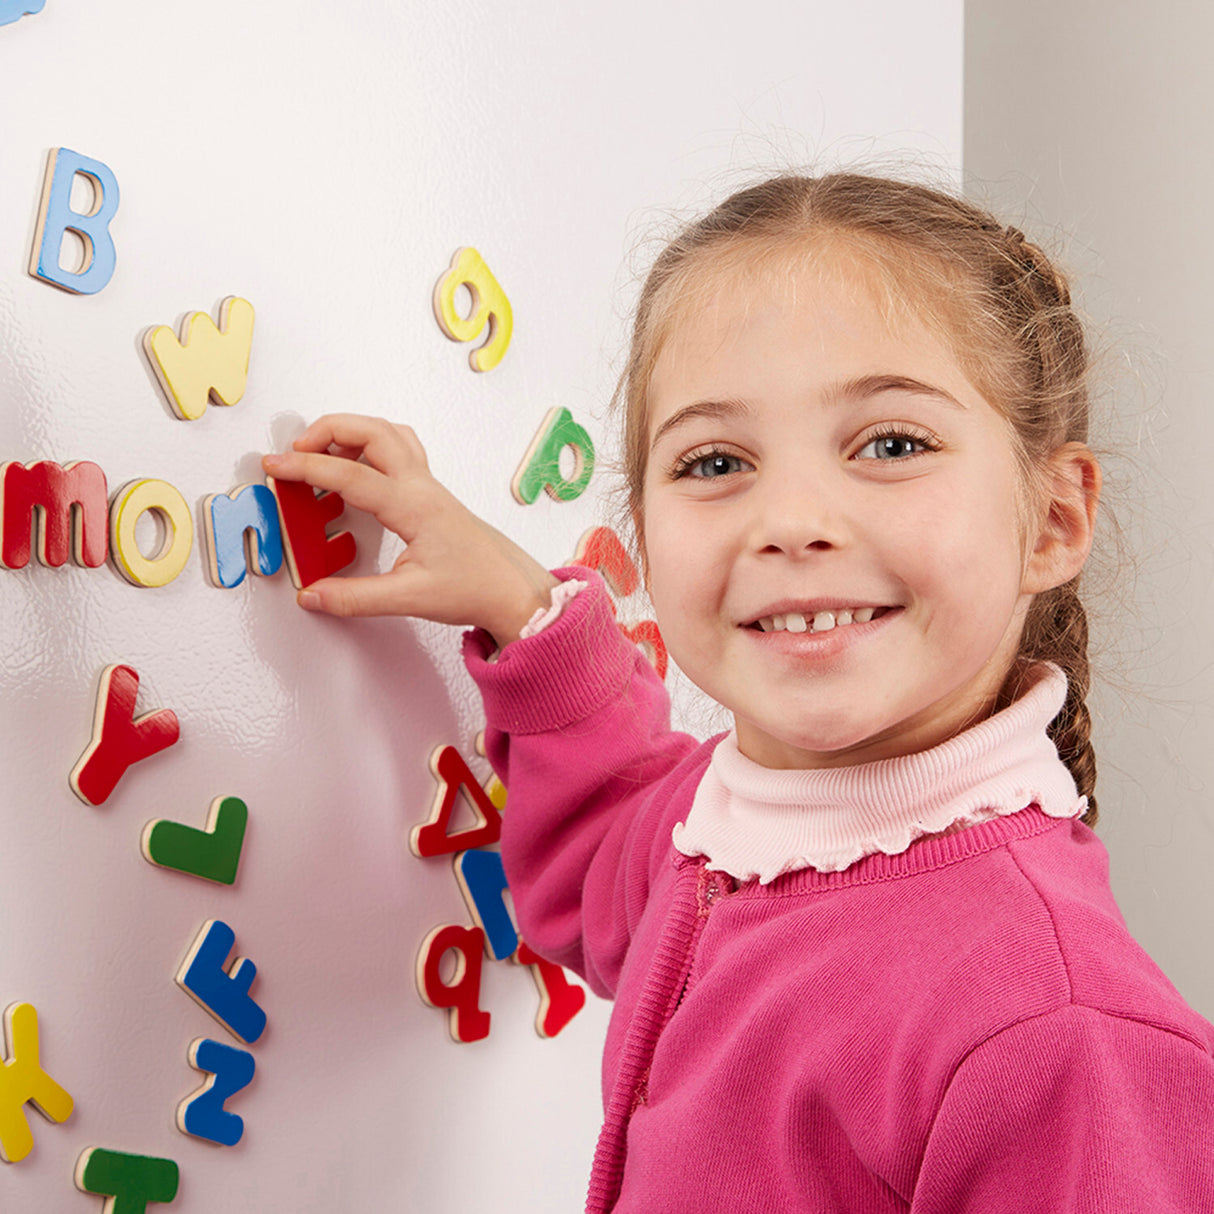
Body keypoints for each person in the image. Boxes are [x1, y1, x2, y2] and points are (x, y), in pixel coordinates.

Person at [262, 173, 1214, 1212]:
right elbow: (607, 842)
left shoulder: (1060, 1030)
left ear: (1050, 522)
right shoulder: (729, 838)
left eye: (890, 444)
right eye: (715, 461)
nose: (791, 519)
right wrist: (516, 601)